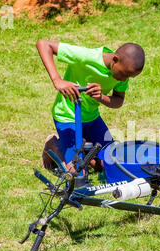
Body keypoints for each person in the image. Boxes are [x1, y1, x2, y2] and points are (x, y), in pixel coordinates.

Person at [36, 40, 145, 183]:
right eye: (124, 74)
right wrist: (57, 80)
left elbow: (118, 100)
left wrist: (101, 97)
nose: (124, 79)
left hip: (92, 118)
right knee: (77, 176)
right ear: (115, 59)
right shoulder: (87, 57)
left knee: (112, 164)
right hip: (67, 117)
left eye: (129, 77)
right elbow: (44, 44)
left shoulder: (123, 70)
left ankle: (87, 156)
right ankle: (53, 145)